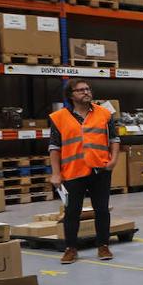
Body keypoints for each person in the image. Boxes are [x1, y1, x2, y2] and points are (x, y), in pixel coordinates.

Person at [49, 79, 121, 264]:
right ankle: (71, 249)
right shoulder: (59, 118)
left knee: (102, 210)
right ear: (71, 95)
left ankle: (103, 246)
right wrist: (56, 173)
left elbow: (114, 139)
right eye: (80, 90)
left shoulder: (104, 114)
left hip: (100, 170)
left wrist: (113, 161)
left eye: (88, 89)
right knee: (72, 211)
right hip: (73, 171)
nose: (86, 92)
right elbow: (54, 147)